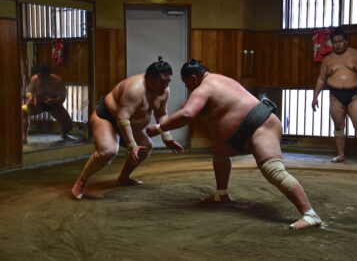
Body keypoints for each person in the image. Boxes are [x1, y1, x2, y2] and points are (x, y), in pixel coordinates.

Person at [146, 59, 322, 230]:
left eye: (187, 84)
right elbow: (219, 111)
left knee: (272, 170)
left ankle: (310, 214)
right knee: (220, 152)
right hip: (245, 131)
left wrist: (160, 127)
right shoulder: (221, 80)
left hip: (261, 126)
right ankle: (222, 194)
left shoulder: (204, 87)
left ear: (193, 79)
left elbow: (187, 114)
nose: (188, 88)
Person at [71, 57, 184, 200]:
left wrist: (167, 137)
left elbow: (161, 114)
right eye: (162, 82)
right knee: (108, 152)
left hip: (130, 125)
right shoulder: (135, 89)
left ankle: (124, 178)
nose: (166, 86)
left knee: (145, 147)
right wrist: (132, 145)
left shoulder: (164, 90)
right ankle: (81, 181)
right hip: (107, 119)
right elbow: (122, 119)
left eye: (168, 82)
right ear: (149, 79)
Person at [312, 28, 357, 163]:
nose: (338, 44)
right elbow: (321, 79)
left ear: (346, 41)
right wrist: (315, 97)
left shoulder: (356, 54)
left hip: (354, 95)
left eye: (341, 41)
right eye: (335, 42)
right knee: (338, 126)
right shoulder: (328, 59)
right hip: (335, 95)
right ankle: (341, 154)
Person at [22, 64, 74, 144]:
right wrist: (30, 97)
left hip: (54, 105)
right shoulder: (35, 79)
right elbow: (30, 92)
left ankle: (64, 134)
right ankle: (24, 138)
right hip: (38, 104)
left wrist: (53, 100)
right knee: (23, 111)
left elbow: (62, 98)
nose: (40, 78)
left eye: (42, 76)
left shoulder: (58, 80)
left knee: (69, 126)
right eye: (39, 76)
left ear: (48, 75)